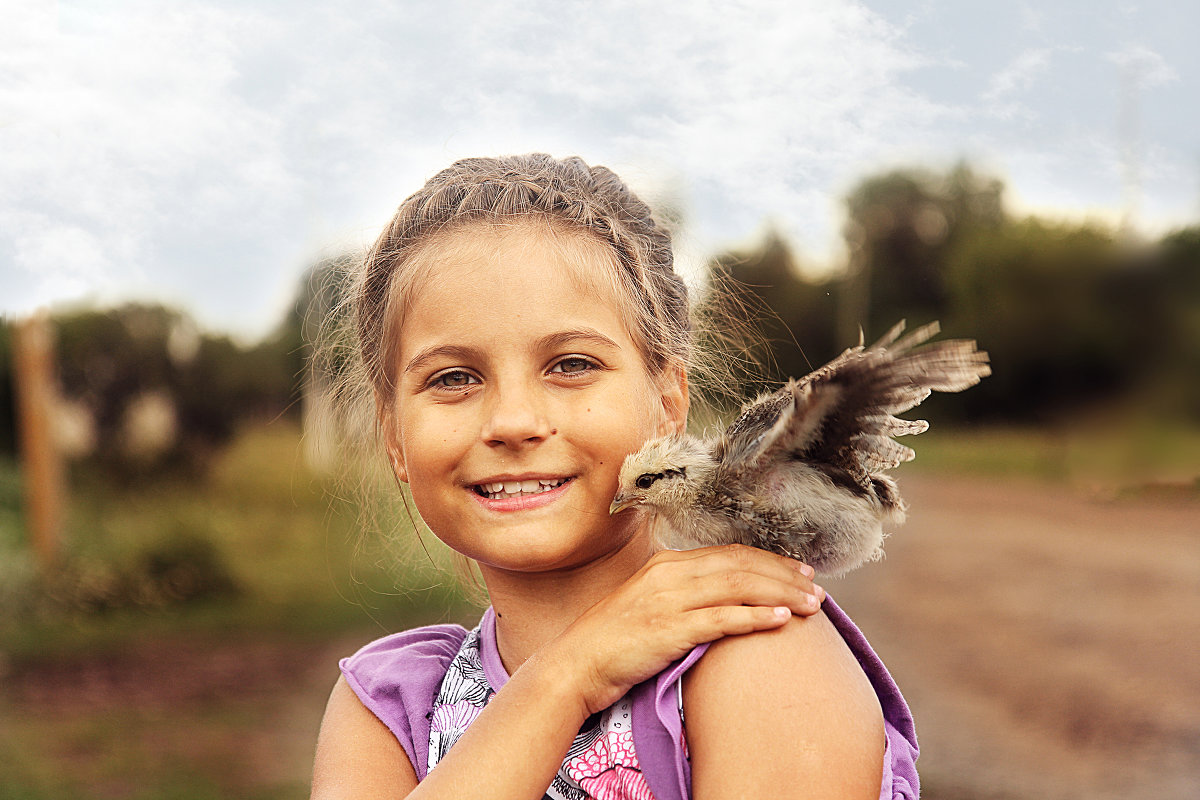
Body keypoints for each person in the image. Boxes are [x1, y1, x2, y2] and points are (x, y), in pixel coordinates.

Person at [310, 154, 919, 800]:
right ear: (393, 437)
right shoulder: (391, 709)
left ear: (667, 403)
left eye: (571, 364)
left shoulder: (760, 652)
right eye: (453, 378)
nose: (513, 422)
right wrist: (569, 674)